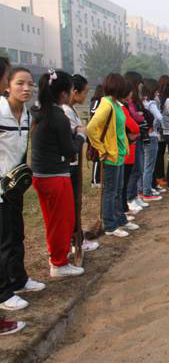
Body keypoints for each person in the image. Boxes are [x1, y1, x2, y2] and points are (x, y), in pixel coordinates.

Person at [0, 64, 43, 335]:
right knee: (3, 239)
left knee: (17, 233)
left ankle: (19, 279)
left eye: (30, 84)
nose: (26, 88)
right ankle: (4, 292)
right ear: (7, 86)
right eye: (19, 83)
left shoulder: (26, 114)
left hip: (14, 187)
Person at [31, 70, 86, 278]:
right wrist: (80, 136)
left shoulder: (39, 111)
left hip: (40, 174)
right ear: (64, 94)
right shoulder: (58, 117)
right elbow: (69, 150)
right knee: (62, 221)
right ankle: (59, 263)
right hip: (55, 176)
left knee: (52, 220)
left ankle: (55, 256)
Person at [88, 73, 137, 238]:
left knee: (118, 189)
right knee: (110, 191)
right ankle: (110, 224)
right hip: (111, 155)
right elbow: (91, 128)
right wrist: (102, 149)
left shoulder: (116, 104)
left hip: (120, 153)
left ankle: (120, 219)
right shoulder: (106, 104)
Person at [61, 74, 99, 253]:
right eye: (84, 92)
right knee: (73, 203)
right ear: (74, 92)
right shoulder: (66, 111)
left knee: (74, 202)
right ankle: (76, 241)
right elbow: (75, 136)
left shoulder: (70, 109)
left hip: (73, 162)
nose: (86, 96)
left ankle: (75, 238)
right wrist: (82, 133)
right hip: (70, 164)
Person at [124, 72, 148, 212]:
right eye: (139, 83)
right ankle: (130, 197)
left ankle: (134, 196)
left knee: (139, 168)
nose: (140, 86)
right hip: (131, 137)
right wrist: (140, 117)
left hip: (137, 136)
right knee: (134, 170)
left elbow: (140, 116)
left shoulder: (135, 100)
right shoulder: (127, 103)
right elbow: (135, 117)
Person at [142, 78, 165, 201]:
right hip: (152, 135)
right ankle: (147, 191)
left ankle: (145, 189)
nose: (157, 93)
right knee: (149, 166)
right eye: (156, 91)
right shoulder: (151, 103)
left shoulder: (142, 102)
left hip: (144, 136)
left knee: (145, 165)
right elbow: (160, 117)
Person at [153, 75, 169, 188]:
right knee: (158, 155)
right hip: (159, 130)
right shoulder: (158, 98)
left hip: (164, 130)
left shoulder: (164, 98)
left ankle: (160, 175)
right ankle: (158, 177)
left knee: (161, 153)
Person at [89, 85, 104, 187]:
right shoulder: (96, 101)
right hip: (95, 132)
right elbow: (93, 112)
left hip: (101, 132)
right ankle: (94, 181)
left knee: (100, 156)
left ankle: (99, 179)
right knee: (96, 157)